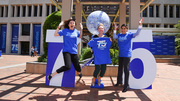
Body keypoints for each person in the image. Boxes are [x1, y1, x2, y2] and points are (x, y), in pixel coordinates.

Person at [113, 18, 143, 92]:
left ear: (126, 29)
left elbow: (137, 33)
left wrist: (140, 25)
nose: (123, 30)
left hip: (127, 55)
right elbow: (114, 37)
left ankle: (126, 85)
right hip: (121, 55)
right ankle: (119, 82)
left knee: (126, 69)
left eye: (124, 28)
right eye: (122, 29)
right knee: (120, 69)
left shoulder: (129, 35)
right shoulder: (119, 35)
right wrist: (115, 29)